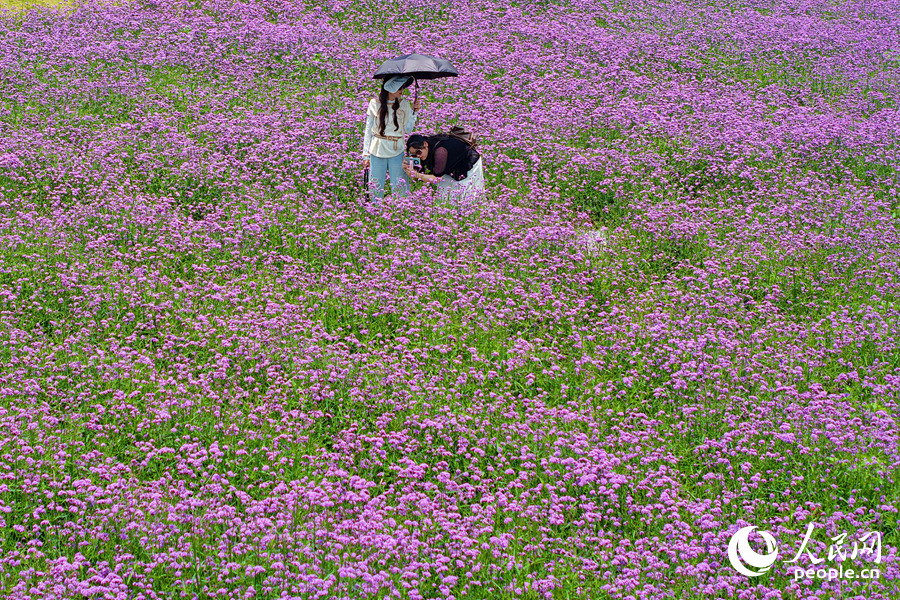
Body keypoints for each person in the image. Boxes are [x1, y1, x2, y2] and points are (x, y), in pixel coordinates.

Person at [361, 75, 422, 204]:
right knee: (375, 185)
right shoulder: (374, 104)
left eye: (403, 87)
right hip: (377, 149)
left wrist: (414, 112)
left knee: (400, 184)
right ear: (390, 88)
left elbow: (409, 129)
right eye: (399, 87)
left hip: (397, 149)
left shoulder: (403, 104)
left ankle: (401, 211)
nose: (402, 90)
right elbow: (368, 130)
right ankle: (375, 212)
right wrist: (365, 155)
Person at [403, 133, 485, 205]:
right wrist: (409, 167)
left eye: (419, 152)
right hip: (450, 165)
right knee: (445, 198)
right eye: (413, 155)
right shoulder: (428, 148)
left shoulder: (440, 152)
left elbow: (437, 178)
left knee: (467, 197)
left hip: (468, 164)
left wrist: (417, 175)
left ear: (425, 144)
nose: (418, 156)